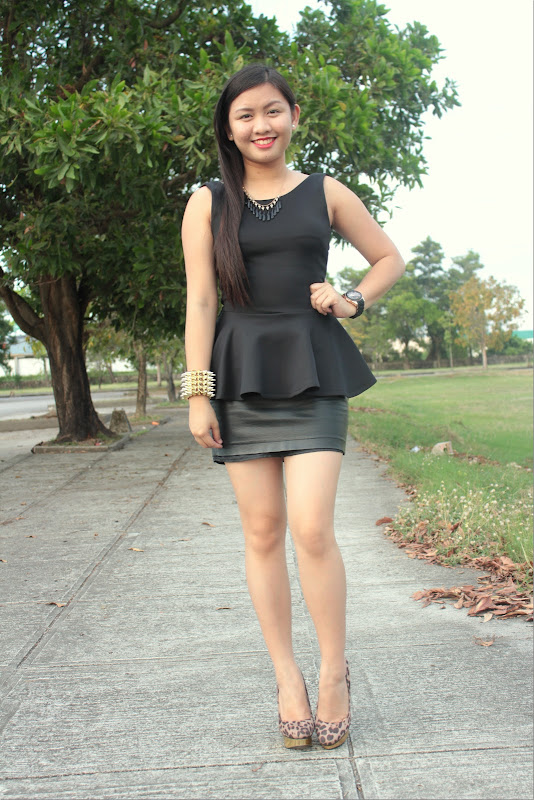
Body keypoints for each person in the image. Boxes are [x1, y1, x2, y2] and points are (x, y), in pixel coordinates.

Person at [181, 64, 405, 750]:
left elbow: (388, 258)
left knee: (311, 529)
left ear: (294, 116)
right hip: (240, 377)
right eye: (246, 115)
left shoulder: (325, 191)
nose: (261, 125)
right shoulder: (208, 203)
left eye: (272, 111)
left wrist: (351, 299)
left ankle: (334, 673)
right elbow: (201, 300)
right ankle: (288, 680)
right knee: (261, 532)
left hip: (314, 369)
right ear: (229, 128)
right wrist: (198, 393)